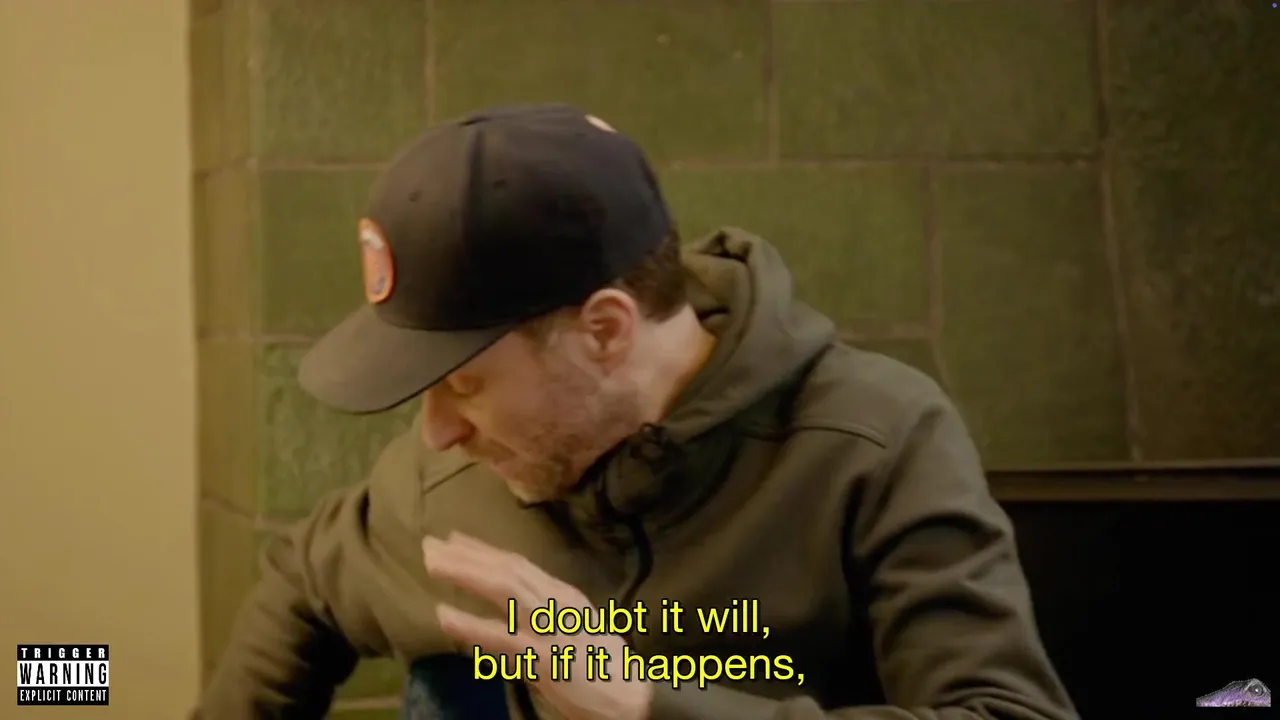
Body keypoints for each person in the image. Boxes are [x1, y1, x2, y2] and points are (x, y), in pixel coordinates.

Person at [195, 103, 1078, 720]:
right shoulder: (446, 482)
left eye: (463, 382)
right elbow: (306, 580)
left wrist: (649, 707)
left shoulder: (874, 441)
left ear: (605, 330)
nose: (437, 432)